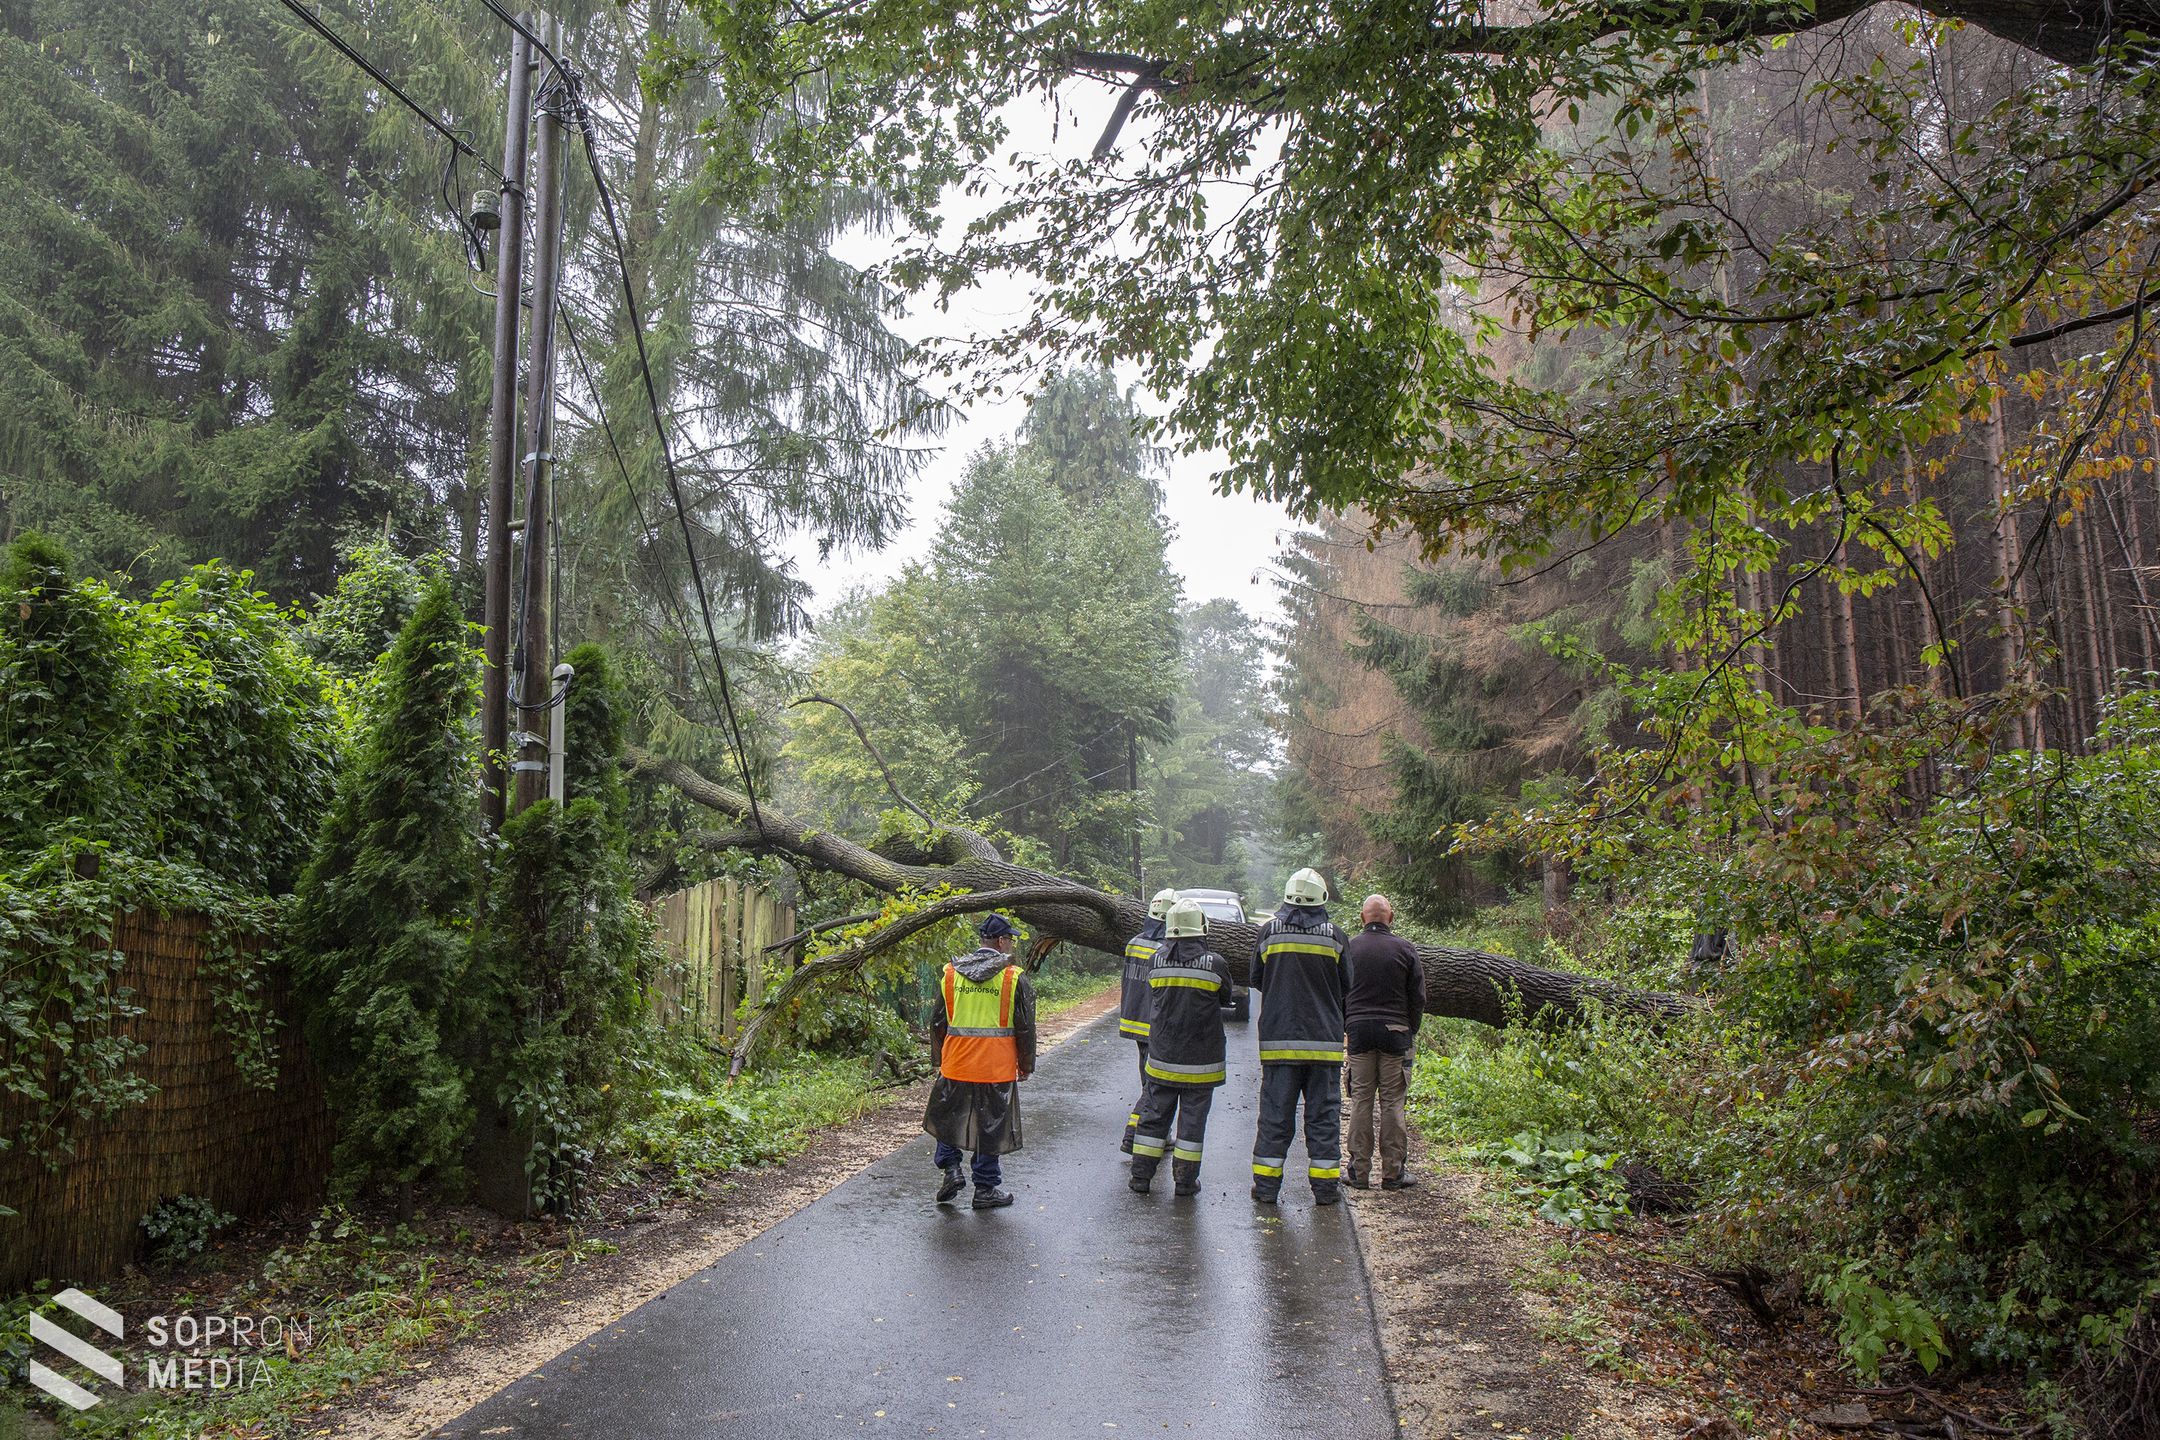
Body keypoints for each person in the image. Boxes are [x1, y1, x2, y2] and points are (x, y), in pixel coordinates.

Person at [1249, 867, 1351, 1206]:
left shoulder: (1269, 933)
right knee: (1323, 1119)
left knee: (1275, 1117)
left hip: (1279, 1044)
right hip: (1324, 1046)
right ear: (1322, 898)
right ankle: (1325, 1190)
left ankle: (1266, 1189)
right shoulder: (1335, 937)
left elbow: (1256, 978)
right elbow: (1347, 985)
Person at [924, 914, 1036, 1210]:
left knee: (949, 1118)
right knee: (991, 1125)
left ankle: (951, 1170)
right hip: (994, 1067)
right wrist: (1026, 1065)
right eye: (1010, 940)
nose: (1011, 945)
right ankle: (985, 1189)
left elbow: (937, 1021)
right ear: (1000, 941)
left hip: (956, 1062)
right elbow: (1025, 1027)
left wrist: (939, 1058)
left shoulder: (951, 974)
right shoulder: (1013, 977)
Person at [1129, 899, 1234, 1197]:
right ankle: (1185, 1182)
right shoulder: (1215, 963)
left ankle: (1140, 1178)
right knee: (1192, 1125)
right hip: (1201, 1064)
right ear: (1201, 927)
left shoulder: (1155, 961)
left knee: (1153, 1118)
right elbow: (1225, 997)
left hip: (1162, 1058)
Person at [1342, 893, 1427, 1190]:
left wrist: (1348, 1024)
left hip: (1359, 1032)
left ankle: (1358, 1172)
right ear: (1390, 918)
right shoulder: (1405, 949)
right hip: (1395, 1032)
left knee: (1361, 1100)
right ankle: (1393, 1173)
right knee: (1392, 1102)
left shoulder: (1349, 948)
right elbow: (1418, 997)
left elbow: (1340, 992)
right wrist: (1410, 1030)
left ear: (1362, 918)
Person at [1120, 888, 1181, 1154]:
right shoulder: (1167, 950)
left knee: (1149, 1081)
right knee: (1154, 1084)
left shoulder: (1134, 942)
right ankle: (1133, 1134)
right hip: (1156, 1025)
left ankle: (1162, 1134)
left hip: (1134, 1021)